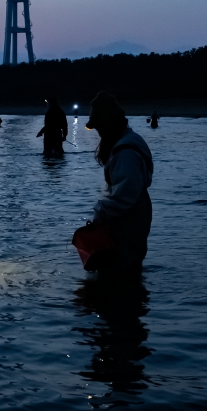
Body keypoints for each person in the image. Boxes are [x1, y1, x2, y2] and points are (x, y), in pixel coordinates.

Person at [85, 92, 153, 275]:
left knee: (119, 274)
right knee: (130, 273)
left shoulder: (126, 154)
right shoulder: (131, 141)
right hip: (132, 218)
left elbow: (124, 196)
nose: (99, 133)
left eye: (99, 128)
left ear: (109, 125)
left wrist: (100, 213)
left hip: (128, 223)